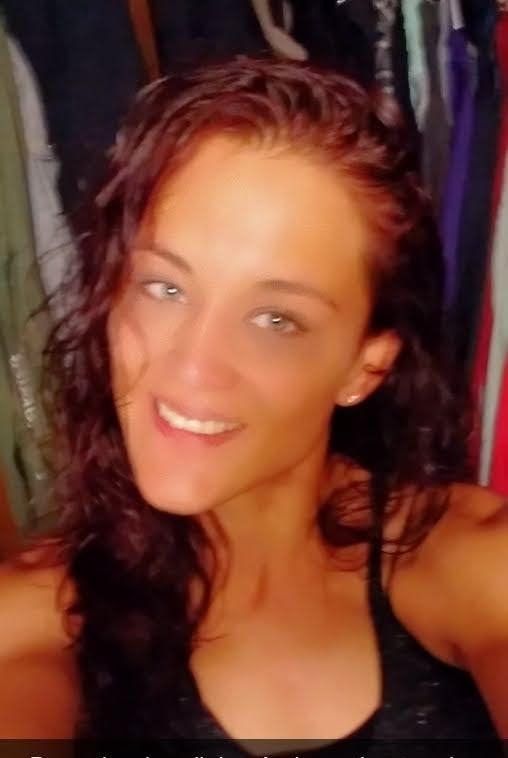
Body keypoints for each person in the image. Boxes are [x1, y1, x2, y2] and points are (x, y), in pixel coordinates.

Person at [0, 56, 507, 752]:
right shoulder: (33, 617)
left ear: (364, 367)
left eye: (276, 320)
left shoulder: (468, 558)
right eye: (165, 288)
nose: (191, 369)